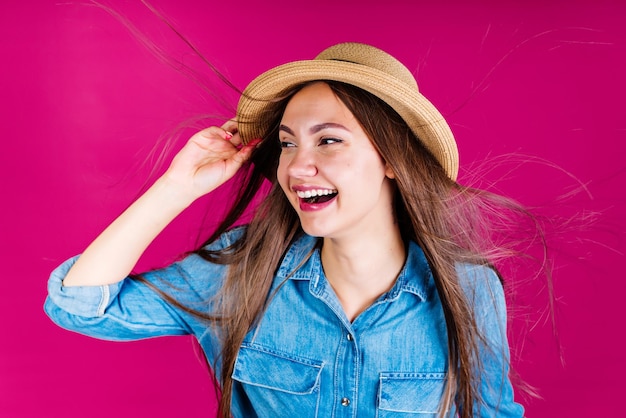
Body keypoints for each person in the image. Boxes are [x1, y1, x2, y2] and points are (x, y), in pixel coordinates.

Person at [45, 42, 526, 417]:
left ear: (393, 160)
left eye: (329, 140)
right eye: (288, 144)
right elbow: (79, 307)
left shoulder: (468, 288)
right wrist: (177, 187)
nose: (298, 166)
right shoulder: (242, 270)